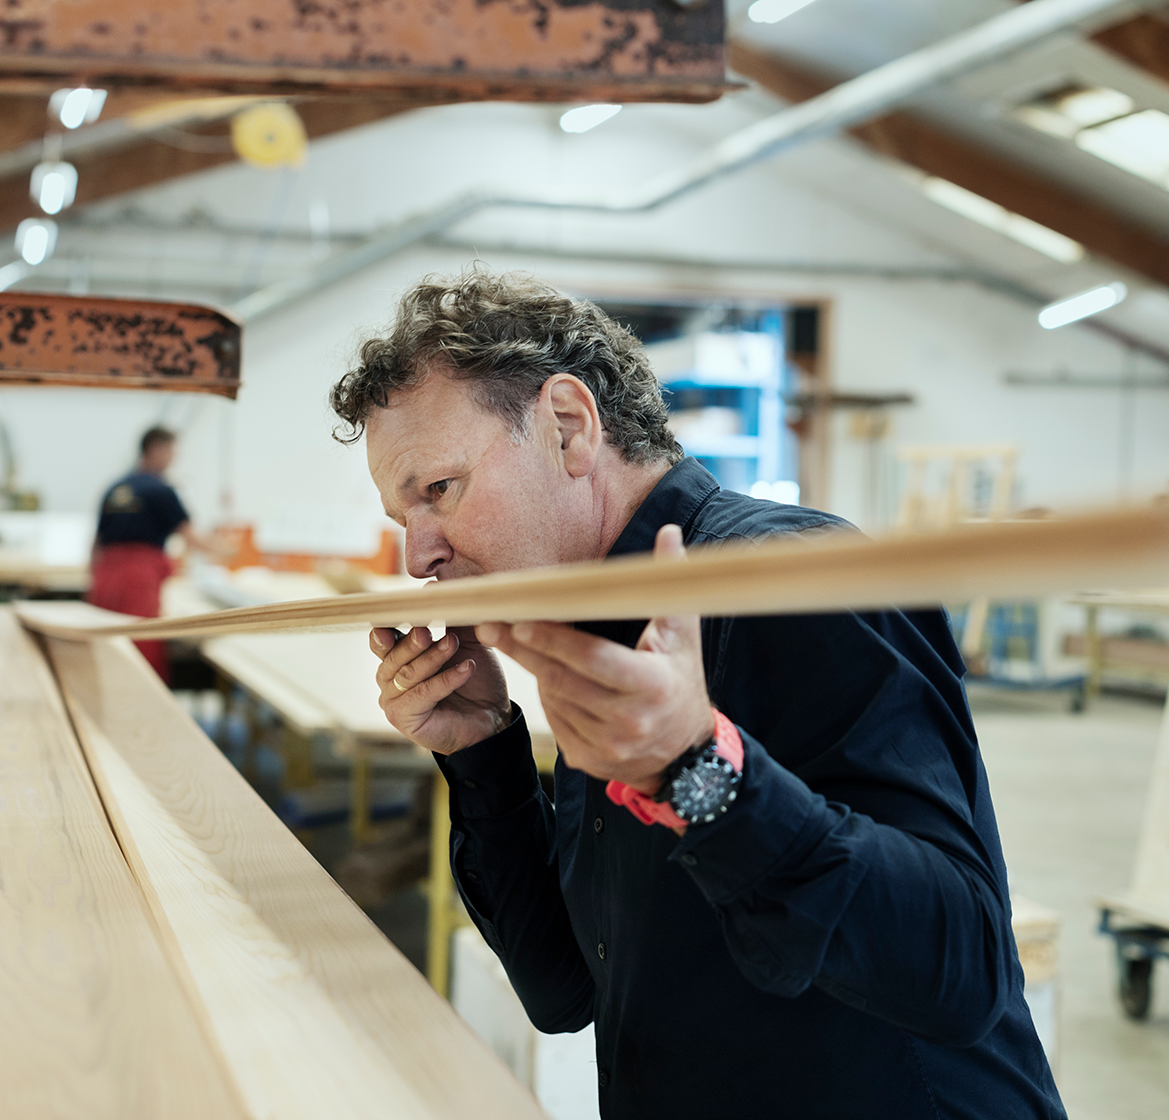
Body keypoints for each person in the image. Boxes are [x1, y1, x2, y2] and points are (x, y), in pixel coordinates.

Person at [329, 269, 1064, 1119]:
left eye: (439, 491)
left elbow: (963, 970)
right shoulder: (594, 616)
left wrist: (694, 771)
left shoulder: (789, 581)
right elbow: (565, 992)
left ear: (568, 428)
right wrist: (484, 747)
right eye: (401, 519)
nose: (417, 558)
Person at [87, 426, 218, 680]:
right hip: (137, 580)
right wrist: (224, 549)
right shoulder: (160, 490)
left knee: (105, 647)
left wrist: (92, 582)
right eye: (171, 451)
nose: (174, 458)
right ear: (156, 449)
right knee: (141, 650)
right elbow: (191, 537)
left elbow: (96, 544)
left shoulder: (115, 488)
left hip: (104, 578)